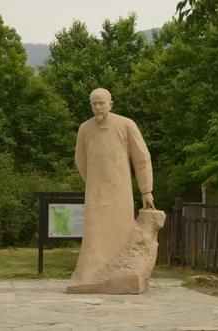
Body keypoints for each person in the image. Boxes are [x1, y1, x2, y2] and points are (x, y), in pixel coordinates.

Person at [69, 87, 155, 288]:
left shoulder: (125, 125)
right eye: (94, 103)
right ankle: (90, 276)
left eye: (102, 103)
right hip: (96, 192)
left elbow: (142, 158)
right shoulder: (85, 128)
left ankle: (121, 273)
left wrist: (146, 189)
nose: (98, 107)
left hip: (120, 191)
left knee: (122, 232)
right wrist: (93, 182)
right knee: (94, 234)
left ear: (110, 104)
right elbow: (80, 160)